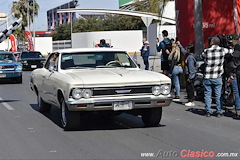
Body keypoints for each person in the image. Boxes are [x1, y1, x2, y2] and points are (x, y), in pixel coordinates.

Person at [201, 37, 231, 117]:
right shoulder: (222, 50)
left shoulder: (206, 51)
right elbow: (231, 51)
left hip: (208, 76)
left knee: (207, 94)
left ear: (212, 43)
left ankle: (208, 111)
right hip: (217, 76)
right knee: (218, 95)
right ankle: (219, 111)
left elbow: (202, 56)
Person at [225, 34, 240, 117]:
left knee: (236, 92)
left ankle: (238, 110)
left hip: (235, 72)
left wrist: (230, 73)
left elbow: (234, 61)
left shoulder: (237, 47)